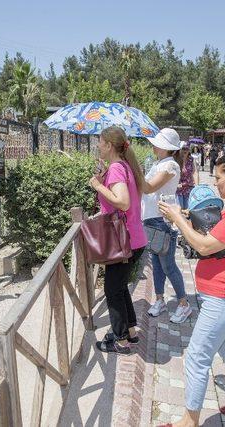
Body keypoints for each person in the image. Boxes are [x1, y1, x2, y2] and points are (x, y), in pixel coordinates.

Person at [158, 152, 225, 427]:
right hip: (222, 296)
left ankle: (189, 421)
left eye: (219, 178)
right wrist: (187, 215)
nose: (215, 183)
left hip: (224, 297)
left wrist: (178, 220)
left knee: (196, 356)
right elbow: (214, 230)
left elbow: (205, 246)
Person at [89, 126, 147, 354]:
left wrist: (98, 185)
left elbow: (123, 202)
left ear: (109, 145)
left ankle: (120, 341)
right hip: (134, 239)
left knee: (112, 289)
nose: (98, 146)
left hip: (124, 242)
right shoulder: (123, 167)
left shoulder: (116, 169)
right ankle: (130, 332)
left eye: (100, 143)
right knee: (120, 287)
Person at [140, 128, 191, 322]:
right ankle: (160, 300)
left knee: (168, 265)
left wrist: (134, 169)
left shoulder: (170, 165)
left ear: (166, 147)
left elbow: (148, 187)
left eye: (157, 143)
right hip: (153, 219)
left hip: (163, 220)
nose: (153, 146)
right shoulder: (161, 163)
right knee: (157, 264)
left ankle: (184, 304)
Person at [177, 142, 200, 210]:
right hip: (178, 189)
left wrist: (197, 187)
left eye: (187, 149)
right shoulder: (175, 159)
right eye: (183, 148)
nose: (185, 151)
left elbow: (195, 172)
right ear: (179, 149)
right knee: (180, 210)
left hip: (189, 188)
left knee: (188, 210)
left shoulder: (191, 159)